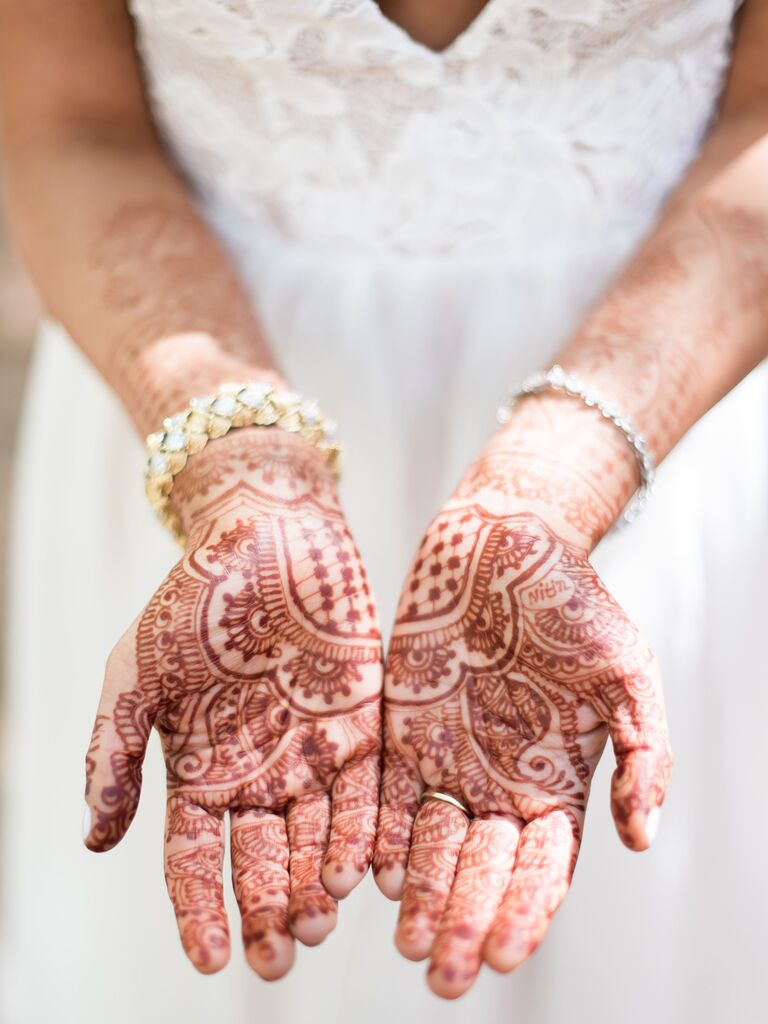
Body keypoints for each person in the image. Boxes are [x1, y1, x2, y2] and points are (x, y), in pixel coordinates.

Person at [1, 1, 767, 1022]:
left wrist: (562, 477)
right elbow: (70, 125)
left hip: (667, 383)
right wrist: (237, 474)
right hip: (186, 363)